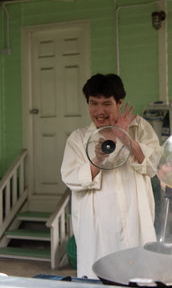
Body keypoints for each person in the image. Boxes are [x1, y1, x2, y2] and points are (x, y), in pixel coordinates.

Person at [60, 73, 161, 278]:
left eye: (106, 103)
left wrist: (126, 139)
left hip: (135, 223)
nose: (99, 111)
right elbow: (70, 177)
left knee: (139, 275)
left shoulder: (139, 127)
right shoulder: (78, 139)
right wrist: (97, 160)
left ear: (120, 102)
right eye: (93, 103)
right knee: (99, 276)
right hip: (98, 228)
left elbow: (152, 166)